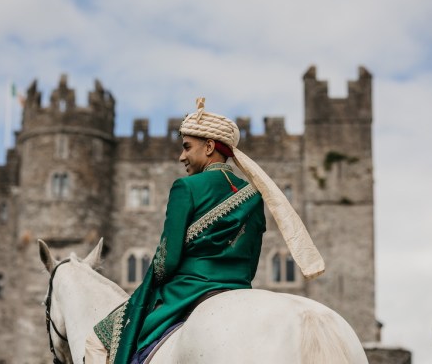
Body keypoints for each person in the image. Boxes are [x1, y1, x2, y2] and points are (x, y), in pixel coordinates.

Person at [85, 98, 324, 364]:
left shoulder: (185, 188)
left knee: (97, 340)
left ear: (209, 146)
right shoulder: (255, 196)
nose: (181, 156)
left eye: (187, 147)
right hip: (238, 291)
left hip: (186, 293)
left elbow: (167, 260)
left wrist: (144, 294)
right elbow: (251, 262)